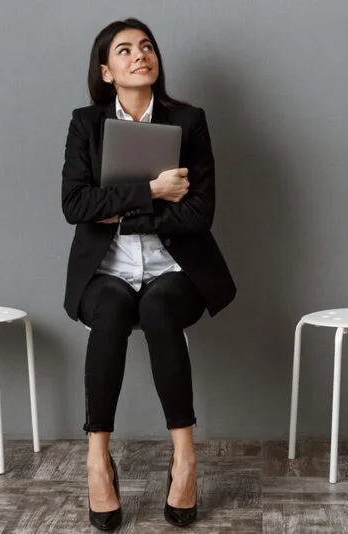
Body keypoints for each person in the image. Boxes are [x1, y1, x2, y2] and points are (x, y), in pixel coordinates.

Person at [61, 18, 236, 530]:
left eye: (146, 46)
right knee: (112, 309)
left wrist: (115, 209)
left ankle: (185, 459)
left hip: (176, 268)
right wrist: (155, 190)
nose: (140, 55)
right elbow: (75, 204)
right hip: (105, 271)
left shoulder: (189, 121)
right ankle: (97, 460)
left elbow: (199, 214)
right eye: (124, 50)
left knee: (159, 307)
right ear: (107, 71)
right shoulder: (85, 124)